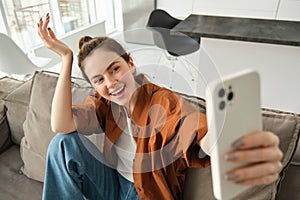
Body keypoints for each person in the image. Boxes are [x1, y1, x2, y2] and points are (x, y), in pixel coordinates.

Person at [37, 14, 283, 200]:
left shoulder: (164, 102)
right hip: (112, 185)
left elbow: (196, 131)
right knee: (63, 144)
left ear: (130, 63)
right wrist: (65, 59)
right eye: (99, 79)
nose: (111, 83)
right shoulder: (103, 103)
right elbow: (61, 125)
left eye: (115, 69)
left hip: (146, 195)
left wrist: (226, 142)